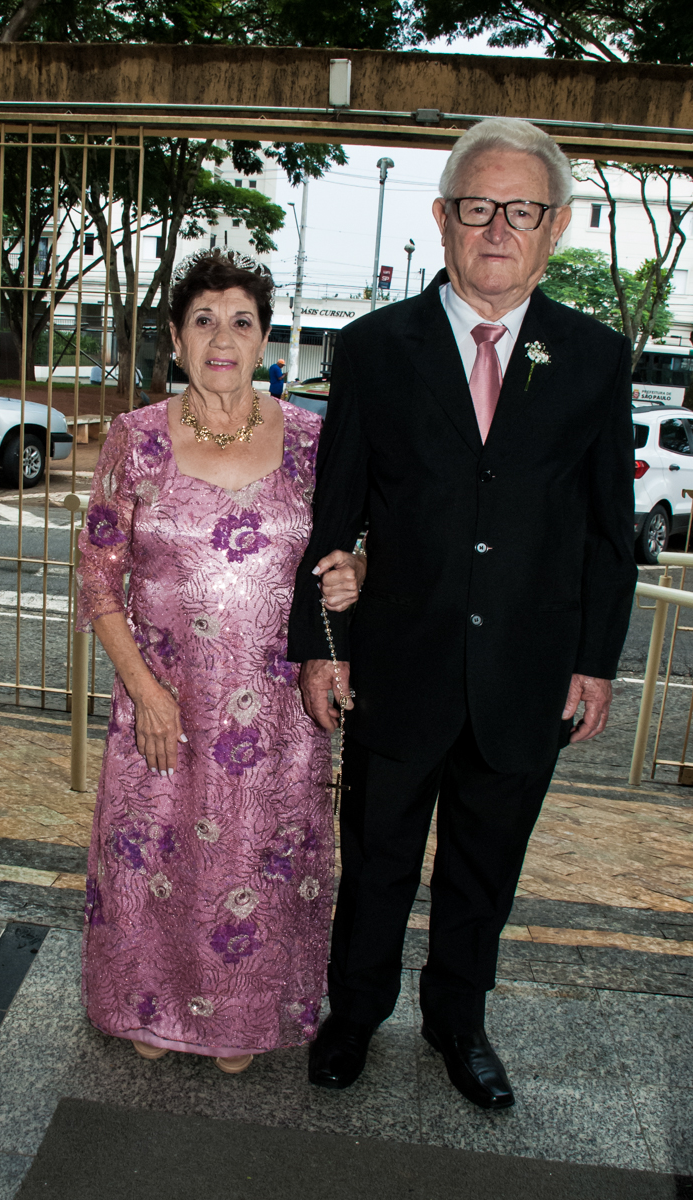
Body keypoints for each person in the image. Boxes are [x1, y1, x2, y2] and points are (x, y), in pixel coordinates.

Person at [288, 117, 636, 1108]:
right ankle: (354, 1013)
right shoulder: (372, 348)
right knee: (376, 858)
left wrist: (593, 660)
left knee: (485, 868)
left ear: (554, 226)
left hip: (526, 671)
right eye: (477, 206)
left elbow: (608, 529)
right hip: (398, 660)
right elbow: (334, 514)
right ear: (441, 218)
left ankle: (458, 1021)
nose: (496, 229)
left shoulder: (593, 357)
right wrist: (321, 648)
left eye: (520, 210)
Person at [77, 249, 364, 1074]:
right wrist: (143, 690)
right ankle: (150, 1003)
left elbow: (354, 547)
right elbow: (97, 574)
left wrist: (356, 572)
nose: (222, 338)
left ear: (264, 338)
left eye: (241, 321)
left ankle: (241, 1015)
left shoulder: (313, 441)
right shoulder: (134, 439)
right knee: (155, 852)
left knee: (251, 860)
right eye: (203, 321)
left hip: (275, 711)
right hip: (162, 697)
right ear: (175, 339)